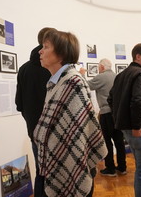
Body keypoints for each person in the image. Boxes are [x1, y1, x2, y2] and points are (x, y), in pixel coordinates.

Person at [33, 29, 107, 197]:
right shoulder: (56, 82)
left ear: (61, 53)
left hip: (70, 166)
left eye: (46, 46)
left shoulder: (73, 82)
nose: (40, 50)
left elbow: (76, 136)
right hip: (57, 160)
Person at [108, 43, 141, 197]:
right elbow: (139, 101)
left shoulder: (121, 75)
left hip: (128, 130)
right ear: (138, 56)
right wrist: (136, 126)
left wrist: (122, 120)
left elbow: (111, 99)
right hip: (140, 131)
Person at [15, 27, 54, 197]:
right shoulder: (54, 69)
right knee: (57, 176)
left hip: (34, 130)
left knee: (41, 172)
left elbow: (19, 103)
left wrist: (31, 121)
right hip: (54, 133)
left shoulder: (24, 69)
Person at [80, 58, 127, 176]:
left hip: (106, 113)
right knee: (119, 141)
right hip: (118, 113)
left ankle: (110, 168)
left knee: (107, 141)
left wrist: (81, 74)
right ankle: (122, 167)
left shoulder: (101, 77)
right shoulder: (116, 76)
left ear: (101, 67)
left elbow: (86, 86)